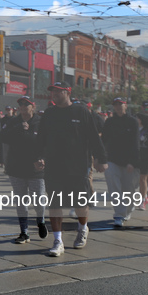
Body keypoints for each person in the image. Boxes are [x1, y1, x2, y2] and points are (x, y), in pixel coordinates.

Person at [35, 81, 107, 257]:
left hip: (78, 166)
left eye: (58, 92)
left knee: (80, 204)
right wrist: (37, 157)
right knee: (55, 204)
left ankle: (83, 228)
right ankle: (58, 241)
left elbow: (93, 136)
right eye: (53, 91)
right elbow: (41, 137)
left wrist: (101, 158)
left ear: (68, 93)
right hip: (54, 166)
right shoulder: (49, 113)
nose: (55, 94)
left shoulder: (81, 111)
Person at [1, 96, 47, 244]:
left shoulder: (40, 123)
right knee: (21, 202)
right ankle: (24, 231)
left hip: (36, 169)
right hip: (17, 168)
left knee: (38, 200)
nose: (22, 106)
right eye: (20, 104)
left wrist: (43, 158)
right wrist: (18, 129)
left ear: (33, 107)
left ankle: (40, 220)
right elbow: (3, 137)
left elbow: (47, 143)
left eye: (26, 104)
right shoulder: (13, 122)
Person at [102, 97, 140, 228]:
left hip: (130, 162)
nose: (118, 107)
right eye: (116, 104)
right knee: (114, 188)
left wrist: (132, 162)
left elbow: (136, 143)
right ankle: (119, 214)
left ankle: (128, 209)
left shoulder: (132, 122)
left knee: (128, 190)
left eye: (120, 104)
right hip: (112, 160)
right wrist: (100, 158)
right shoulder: (110, 122)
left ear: (125, 106)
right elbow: (104, 140)